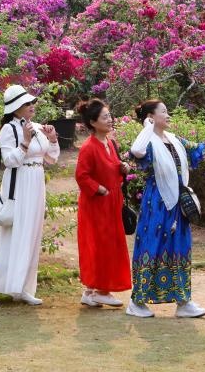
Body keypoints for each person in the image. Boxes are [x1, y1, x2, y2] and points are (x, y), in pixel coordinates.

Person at [126, 99, 205, 318]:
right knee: (153, 246)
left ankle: (183, 301)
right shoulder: (147, 141)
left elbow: (204, 150)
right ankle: (137, 302)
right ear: (151, 117)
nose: (168, 116)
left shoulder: (174, 140)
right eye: (164, 112)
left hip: (178, 201)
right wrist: (148, 127)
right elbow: (136, 150)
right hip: (156, 203)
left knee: (180, 246)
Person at [0, 85, 60, 306]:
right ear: (16, 108)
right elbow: (9, 161)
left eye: (32, 102)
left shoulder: (37, 127)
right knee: (14, 235)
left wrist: (52, 139)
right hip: (19, 185)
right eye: (27, 103)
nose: (32, 106)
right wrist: (25, 141)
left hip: (36, 183)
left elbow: (51, 158)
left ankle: (23, 287)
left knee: (32, 235)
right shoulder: (9, 130)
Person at [74, 98, 132, 308]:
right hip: (96, 204)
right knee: (98, 245)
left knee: (108, 245)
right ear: (93, 122)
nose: (110, 120)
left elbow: (111, 167)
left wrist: (122, 167)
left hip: (112, 203)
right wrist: (99, 189)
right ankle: (101, 290)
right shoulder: (88, 147)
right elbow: (82, 176)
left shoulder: (110, 143)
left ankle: (91, 291)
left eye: (110, 116)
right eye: (105, 117)